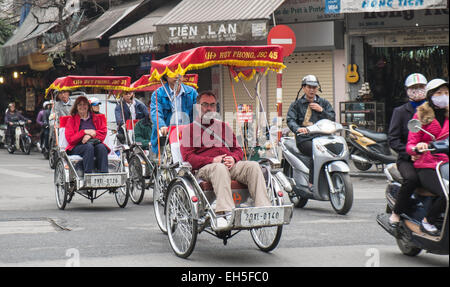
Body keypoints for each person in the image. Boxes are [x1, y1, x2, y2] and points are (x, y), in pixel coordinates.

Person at [180, 91, 271, 230]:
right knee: (219, 168)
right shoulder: (189, 130)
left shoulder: (223, 127)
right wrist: (213, 160)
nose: (209, 108)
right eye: (205, 105)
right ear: (198, 107)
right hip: (205, 168)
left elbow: (238, 150)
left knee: (253, 165)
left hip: (228, 165)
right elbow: (188, 158)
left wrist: (233, 159)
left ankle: (263, 209)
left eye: (212, 105)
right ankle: (225, 212)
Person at [406, 78, 449, 236]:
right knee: (446, 194)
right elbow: (410, 145)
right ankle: (428, 221)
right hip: (427, 165)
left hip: (446, 164)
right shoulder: (420, 116)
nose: (443, 96)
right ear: (431, 95)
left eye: (446, 93)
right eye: (439, 93)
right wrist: (418, 147)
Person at [387, 73, 428, 226]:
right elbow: (393, 139)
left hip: (431, 157)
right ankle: (396, 212)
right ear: (407, 90)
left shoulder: (432, 109)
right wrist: (410, 152)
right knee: (411, 179)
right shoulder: (400, 112)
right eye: (413, 88)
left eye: (421, 87)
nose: (417, 90)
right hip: (407, 158)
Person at [286, 75, 335, 187]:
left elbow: (332, 118)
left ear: (318, 88)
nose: (312, 90)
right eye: (309, 87)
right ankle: (312, 183)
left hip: (323, 138)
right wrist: (298, 129)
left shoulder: (324, 103)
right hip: (305, 139)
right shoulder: (296, 105)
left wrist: (321, 110)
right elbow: (290, 120)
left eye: (314, 87)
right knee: (316, 152)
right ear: (304, 88)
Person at [150, 75, 198, 154]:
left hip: (186, 134)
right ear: (166, 76)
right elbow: (156, 112)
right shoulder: (158, 94)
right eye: (173, 73)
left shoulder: (192, 92)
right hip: (167, 135)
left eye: (179, 72)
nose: (177, 76)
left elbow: (197, 114)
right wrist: (162, 126)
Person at [65, 96, 109, 174]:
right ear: (76, 107)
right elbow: (70, 139)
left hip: (94, 143)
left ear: (88, 106)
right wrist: (84, 132)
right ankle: (88, 174)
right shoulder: (71, 120)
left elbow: (103, 132)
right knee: (88, 147)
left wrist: (91, 135)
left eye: (84, 104)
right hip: (77, 146)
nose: (82, 106)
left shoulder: (96, 118)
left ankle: (104, 174)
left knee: (102, 147)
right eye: (80, 104)